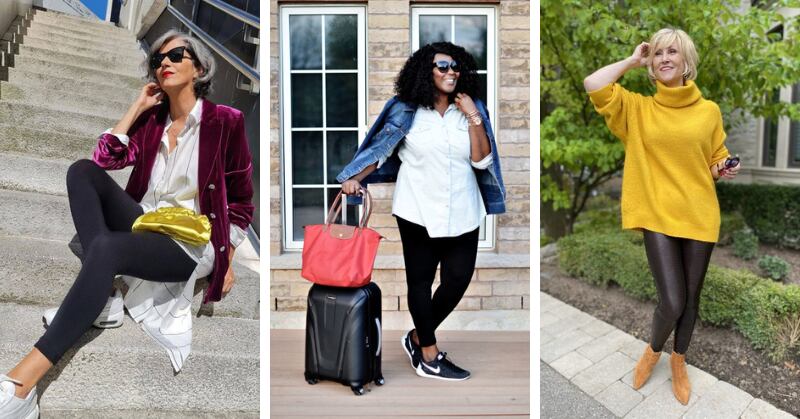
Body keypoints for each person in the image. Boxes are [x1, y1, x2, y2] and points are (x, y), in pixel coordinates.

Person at [0, 30, 254, 418]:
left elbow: (240, 199)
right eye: (156, 60)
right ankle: (104, 292)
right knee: (81, 171)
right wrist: (137, 106)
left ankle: (22, 385)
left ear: (199, 66)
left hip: (190, 242)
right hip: (148, 222)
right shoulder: (153, 121)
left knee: (105, 247)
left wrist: (229, 254)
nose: (164, 63)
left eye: (176, 55)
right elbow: (105, 157)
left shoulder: (226, 122)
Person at [583, 28, 741, 405]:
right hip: (657, 214)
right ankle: (653, 351)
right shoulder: (638, 109)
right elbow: (593, 83)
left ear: (687, 61)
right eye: (658, 54)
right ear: (651, 64)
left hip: (700, 215)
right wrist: (632, 61)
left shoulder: (709, 111)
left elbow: (714, 157)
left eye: (673, 52)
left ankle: (679, 362)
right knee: (672, 301)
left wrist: (723, 167)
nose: (665, 58)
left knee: (691, 300)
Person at [337, 42, 506, 382]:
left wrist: (473, 115)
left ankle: (416, 337)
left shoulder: (471, 111)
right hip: (417, 209)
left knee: (458, 278)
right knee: (421, 282)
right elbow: (381, 151)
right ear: (425, 71)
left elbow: (481, 161)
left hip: (463, 208)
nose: (451, 71)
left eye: (456, 66)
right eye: (443, 66)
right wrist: (354, 179)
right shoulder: (406, 110)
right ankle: (428, 354)